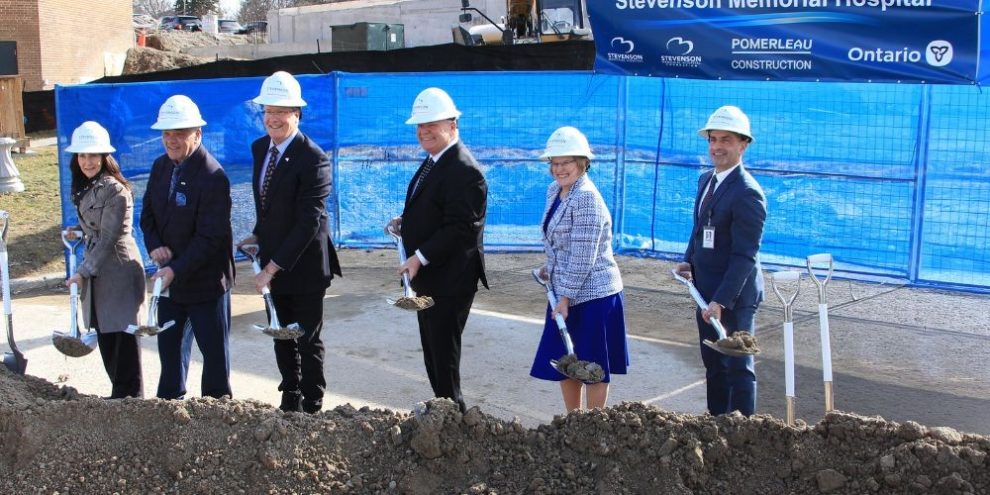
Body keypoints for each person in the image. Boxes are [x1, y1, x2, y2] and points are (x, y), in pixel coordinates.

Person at [238, 71, 342, 414]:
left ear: (297, 113)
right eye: (268, 110)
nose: (273, 118)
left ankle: (313, 403)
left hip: (306, 266)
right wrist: (257, 233)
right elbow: (268, 207)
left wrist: (271, 267)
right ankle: (290, 396)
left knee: (307, 339)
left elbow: (308, 221)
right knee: (280, 332)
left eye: (281, 111)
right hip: (274, 259)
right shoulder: (259, 149)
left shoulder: (313, 159)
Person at [385, 87, 488, 413]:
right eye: (420, 125)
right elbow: (438, 209)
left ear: (453, 124)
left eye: (432, 124)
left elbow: (462, 228)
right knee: (432, 349)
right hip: (432, 278)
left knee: (443, 354)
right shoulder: (436, 161)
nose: (424, 131)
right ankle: (443, 412)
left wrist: (420, 256)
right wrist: (408, 221)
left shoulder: (464, 170)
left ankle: (452, 417)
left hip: (449, 279)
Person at [140, 94, 235, 400]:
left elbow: (211, 238)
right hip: (172, 283)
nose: (171, 140)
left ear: (197, 134)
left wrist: (174, 269)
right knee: (169, 356)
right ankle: (169, 412)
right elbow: (148, 215)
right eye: (167, 133)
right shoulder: (160, 167)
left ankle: (219, 417)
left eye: (179, 133)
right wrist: (154, 246)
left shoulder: (213, 177)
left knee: (215, 359)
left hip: (206, 284)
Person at [674, 105, 767, 417]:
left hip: (735, 297)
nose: (716, 146)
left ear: (743, 145)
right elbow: (700, 229)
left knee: (739, 366)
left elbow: (745, 256)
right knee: (713, 364)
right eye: (713, 139)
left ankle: (744, 433)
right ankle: (715, 426)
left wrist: (721, 301)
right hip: (705, 291)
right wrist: (688, 261)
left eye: (726, 140)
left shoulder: (748, 193)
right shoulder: (706, 181)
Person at [529, 126, 628, 412]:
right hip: (566, 291)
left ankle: (593, 425)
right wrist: (550, 269)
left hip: (595, 296)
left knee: (592, 364)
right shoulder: (554, 191)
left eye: (566, 162)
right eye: (555, 163)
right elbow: (557, 241)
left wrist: (564, 299)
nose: (560, 169)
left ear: (583, 163)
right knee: (566, 361)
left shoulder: (586, 198)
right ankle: (574, 421)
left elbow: (583, 256)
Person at [64, 121, 146, 399]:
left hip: (118, 273)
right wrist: (78, 231)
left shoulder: (115, 191)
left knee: (122, 341)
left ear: (104, 157)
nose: (87, 161)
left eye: (93, 155)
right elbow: (95, 229)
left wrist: (82, 272)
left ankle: (131, 402)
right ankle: (120, 399)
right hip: (100, 275)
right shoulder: (86, 186)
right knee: (106, 338)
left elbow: (109, 237)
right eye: (82, 155)